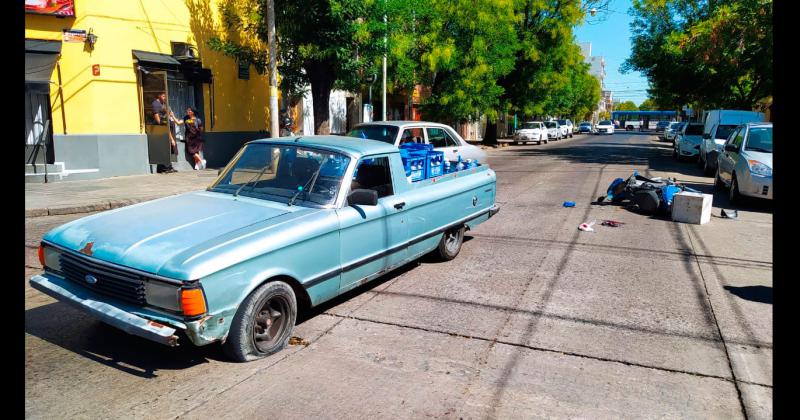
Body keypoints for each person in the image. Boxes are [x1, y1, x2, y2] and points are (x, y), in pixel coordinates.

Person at [152, 93, 177, 173]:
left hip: (168, 127)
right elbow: (157, 118)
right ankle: (163, 167)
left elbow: (170, 114)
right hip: (163, 128)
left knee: (169, 148)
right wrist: (162, 126)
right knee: (164, 147)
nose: (165, 97)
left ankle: (169, 166)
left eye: (165, 96)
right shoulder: (156, 104)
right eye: (163, 96)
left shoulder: (164, 104)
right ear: (159, 95)